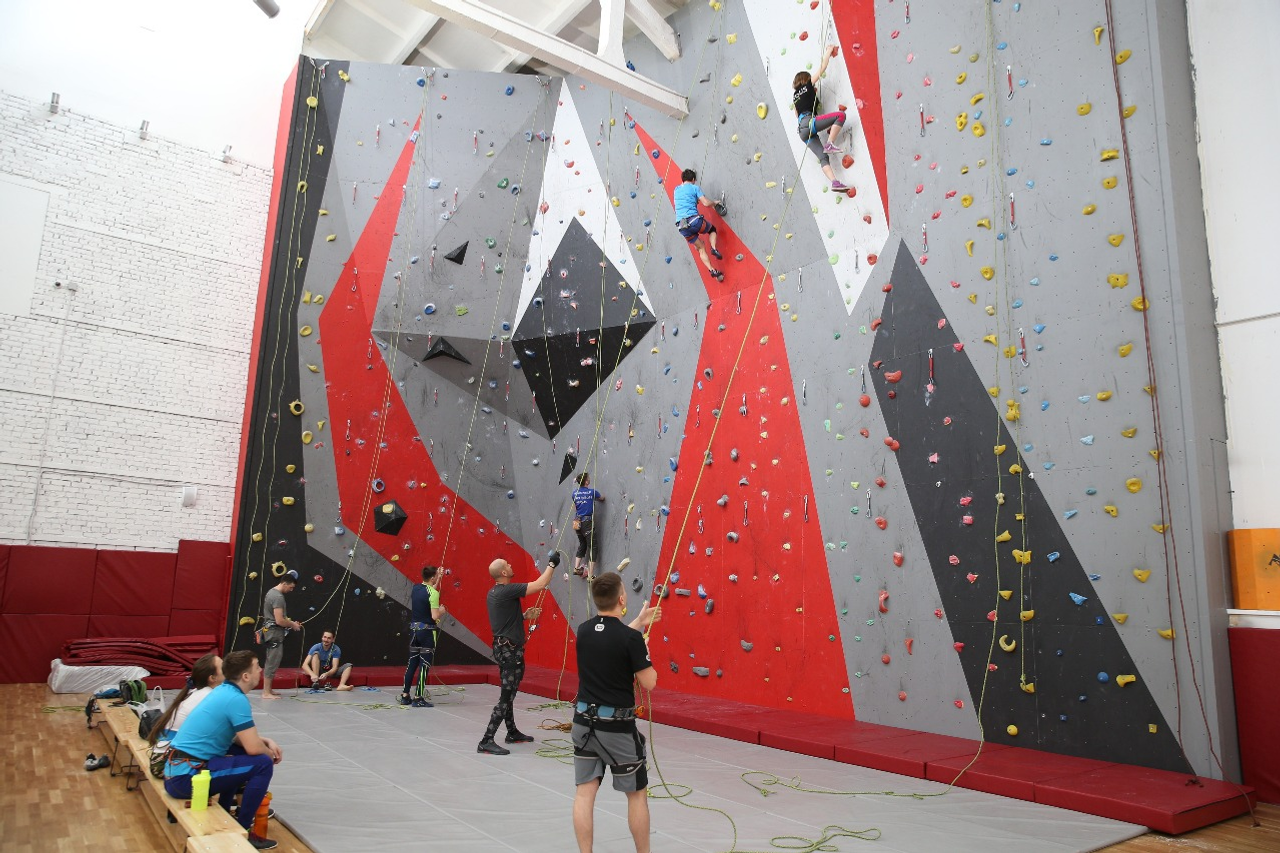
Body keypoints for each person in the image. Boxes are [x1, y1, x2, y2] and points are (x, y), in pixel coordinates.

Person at [571, 572, 661, 853]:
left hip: (583, 723)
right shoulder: (631, 640)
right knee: (637, 795)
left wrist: (639, 624)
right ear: (622, 599)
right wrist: (643, 652)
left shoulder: (584, 630)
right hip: (616, 729)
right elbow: (649, 682)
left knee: (584, 792)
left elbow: (610, 638)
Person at [163, 650, 283, 850]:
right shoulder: (236, 699)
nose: (261, 669)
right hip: (185, 779)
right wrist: (270, 754)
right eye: (257, 666)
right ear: (246, 676)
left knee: (238, 753)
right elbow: (254, 748)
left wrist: (266, 741)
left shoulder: (223, 691)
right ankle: (244, 830)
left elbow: (241, 740)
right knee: (262, 763)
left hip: (178, 771)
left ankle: (227, 813)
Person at [477, 553, 558, 755]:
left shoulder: (494, 593)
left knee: (510, 691)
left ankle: (512, 732)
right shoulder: (507, 590)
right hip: (509, 651)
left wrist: (523, 616)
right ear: (504, 573)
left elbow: (503, 621)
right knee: (506, 695)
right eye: (508, 564)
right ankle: (486, 740)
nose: (511, 565)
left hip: (506, 649)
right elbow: (540, 584)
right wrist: (552, 564)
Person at [793, 45, 850, 191]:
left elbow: (797, 114)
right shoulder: (807, 85)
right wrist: (829, 51)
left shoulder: (795, 96)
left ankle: (834, 182)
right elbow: (822, 67)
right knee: (840, 116)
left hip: (802, 131)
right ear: (805, 79)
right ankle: (830, 143)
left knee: (823, 157)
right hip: (809, 122)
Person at [147, 653, 224, 745]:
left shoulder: (196, 692)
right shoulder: (210, 696)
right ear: (212, 678)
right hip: (176, 747)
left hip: (168, 743)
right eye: (224, 667)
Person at [400, 565, 444, 708]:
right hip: (427, 633)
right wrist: (442, 610)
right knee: (424, 665)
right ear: (432, 578)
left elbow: (429, 592)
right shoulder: (433, 593)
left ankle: (405, 695)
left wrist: (439, 578)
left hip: (414, 632)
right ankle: (418, 697)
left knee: (412, 663)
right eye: (436, 576)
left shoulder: (416, 588)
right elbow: (435, 616)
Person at [672, 169, 725, 281]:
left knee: (700, 248)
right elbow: (705, 203)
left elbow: (682, 201)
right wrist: (715, 203)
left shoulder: (676, 190)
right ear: (693, 179)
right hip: (693, 220)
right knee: (712, 230)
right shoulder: (694, 187)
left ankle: (712, 270)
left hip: (681, 226)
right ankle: (714, 248)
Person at [260, 570, 302, 699]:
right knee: (272, 660)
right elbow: (279, 620)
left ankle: (268, 689)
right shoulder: (278, 597)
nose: (291, 590)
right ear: (284, 583)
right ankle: (266, 692)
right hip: (274, 632)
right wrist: (292, 624)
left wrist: (289, 623)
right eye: (291, 587)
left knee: (272, 659)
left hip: (271, 631)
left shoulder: (271, 592)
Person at [572, 472, 605, 579]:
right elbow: (602, 498)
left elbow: (576, 506)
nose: (590, 479)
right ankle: (590, 575)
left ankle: (576, 568)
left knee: (582, 544)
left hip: (577, 522)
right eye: (588, 478)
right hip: (587, 523)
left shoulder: (574, 493)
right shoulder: (592, 492)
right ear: (586, 482)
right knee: (593, 547)